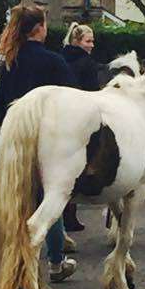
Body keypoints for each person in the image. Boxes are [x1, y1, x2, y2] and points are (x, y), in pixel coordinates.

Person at [0, 3, 77, 283]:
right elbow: (73, 104)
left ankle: (13, 259)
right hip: (46, 141)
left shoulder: (9, 62)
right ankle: (55, 261)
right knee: (50, 200)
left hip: (14, 141)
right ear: (39, 28)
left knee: (17, 202)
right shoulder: (53, 62)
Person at [61, 22, 103, 232]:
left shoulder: (60, 58)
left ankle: (67, 213)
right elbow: (93, 93)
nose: (92, 45)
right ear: (77, 41)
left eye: (92, 41)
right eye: (88, 41)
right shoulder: (86, 63)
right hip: (80, 116)